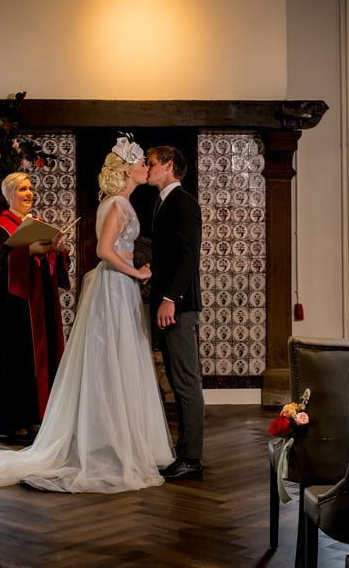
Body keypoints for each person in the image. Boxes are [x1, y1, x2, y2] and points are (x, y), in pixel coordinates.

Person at [0, 135, 175, 493]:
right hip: (115, 286)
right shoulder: (118, 205)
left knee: (117, 361)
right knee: (112, 361)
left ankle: (119, 440)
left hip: (118, 289)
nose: (145, 167)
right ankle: (111, 444)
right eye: (140, 163)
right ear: (125, 170)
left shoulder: (116, 203)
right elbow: (105, 251)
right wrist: (137, 272)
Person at [0, 171, 71, 446]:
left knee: (35, 362)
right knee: (12, 362)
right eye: (22, 189)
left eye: (30, 188)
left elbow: (50, 268)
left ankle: (36, 416)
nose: (28, 193)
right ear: (9, 195)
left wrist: (57, 250)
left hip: (35, 304)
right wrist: (29, 250)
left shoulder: (37, 224)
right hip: (8, 307)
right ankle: (9, 423)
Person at [146, 144, 205, 481]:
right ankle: (184, 454)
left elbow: (188, 257)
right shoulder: (163, 202)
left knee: (185, 383)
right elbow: (170, 256)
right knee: (178, 382)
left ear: (168, 166)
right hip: (169, 304)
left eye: (152, 164)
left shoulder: (183, 202)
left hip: (179, 307)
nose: (148, 168)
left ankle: (192, 459)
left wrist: (170, 298)